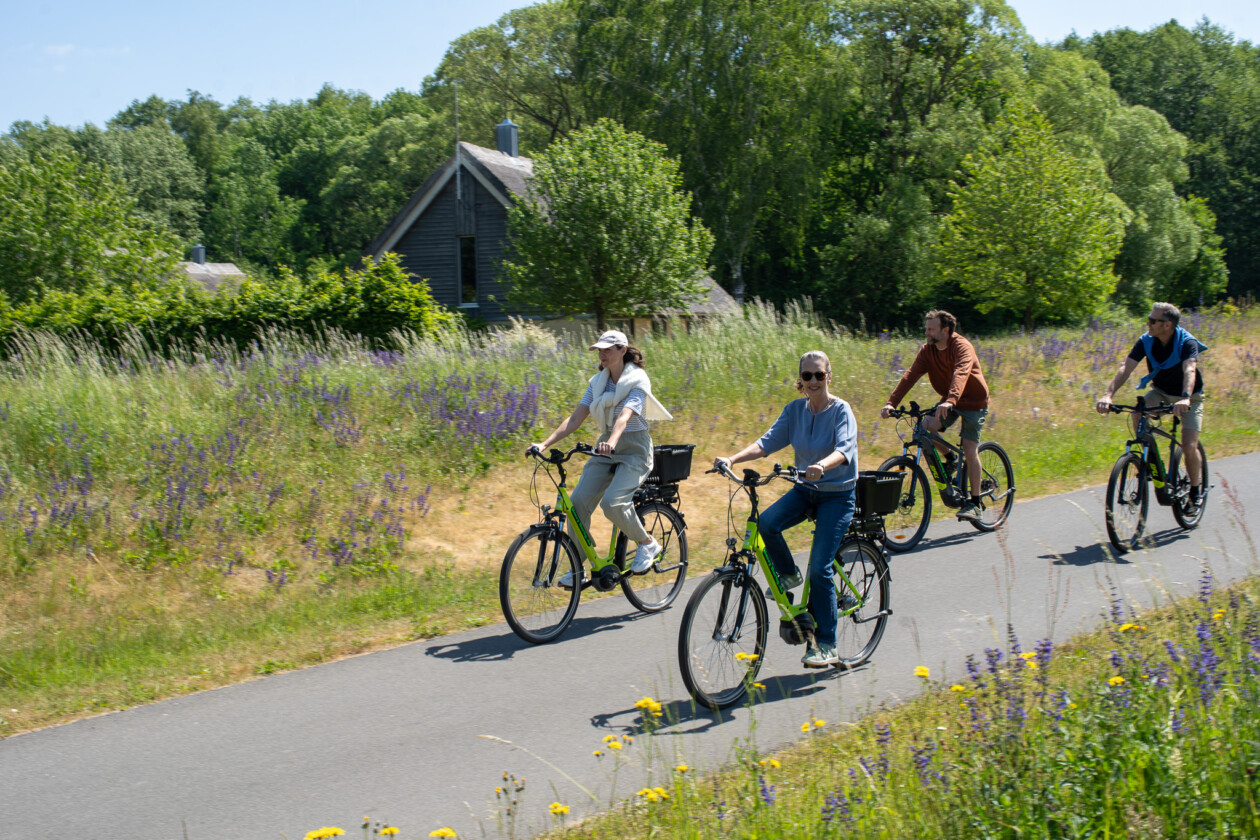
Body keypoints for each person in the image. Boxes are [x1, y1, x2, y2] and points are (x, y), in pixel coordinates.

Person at [713, 350, 858, 669]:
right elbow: (766, 443)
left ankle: (827, 644)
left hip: (837, 496)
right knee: (766, 524)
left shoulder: (841, 410)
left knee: (819, 569)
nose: (813, 381)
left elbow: (844, 449)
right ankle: (789, 576)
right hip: (806, 491)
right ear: (800, 380)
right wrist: (732, 459)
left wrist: (822, 465)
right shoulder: (795, 410)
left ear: (829, 376)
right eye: (807, 376)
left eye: (819, 375)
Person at [528, 329, 673, 586]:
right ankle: (579, 565)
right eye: (599, 350)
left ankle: (647, 543)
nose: (602, 354)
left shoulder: (638, 379)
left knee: (613, 503)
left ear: (622, 350)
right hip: (605, 449)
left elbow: (625, 416)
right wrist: (544, 443)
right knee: (577, 503)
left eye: (607, 349)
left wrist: (612, 442)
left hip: (634, 450)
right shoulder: (597, 383)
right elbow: (576, 417)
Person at [880, 310, 990, 522]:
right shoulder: (928, 351)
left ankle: (975, 503)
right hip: (950, 399)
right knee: (925, 426)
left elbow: (961, 372)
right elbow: (910, 376)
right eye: (926, 328)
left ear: (945, 330)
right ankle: (950, 458)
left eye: (931, 329)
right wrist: (891, 403)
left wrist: (951, 400)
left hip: (974, 402)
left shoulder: (962, 347)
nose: (926, 332)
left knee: (969, 447)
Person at [1095, 302, 1207, 509]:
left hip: (1190, 397)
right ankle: (1151, 463)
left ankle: (1195, 490)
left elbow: (1189, 370)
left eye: (1153, 321)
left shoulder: (1187, 342)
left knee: (1189, 445)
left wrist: (1185, 398)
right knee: (1138, 414)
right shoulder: (1146, 341)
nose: (1148, 323)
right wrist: (1108, 395)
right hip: (1161, 393)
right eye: (1149, 319)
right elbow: (1126, 367)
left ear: (1168, 325)